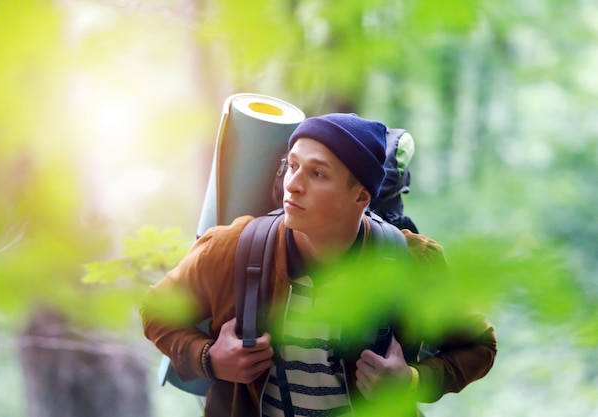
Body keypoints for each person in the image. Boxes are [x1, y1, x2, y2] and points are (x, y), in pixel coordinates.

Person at [141, 113, 497, 417]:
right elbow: (156, 310)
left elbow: (479, 346)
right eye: (292, 166)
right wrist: (209, 359)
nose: (292, 185)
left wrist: (412, 381)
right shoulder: (232, 249)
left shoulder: (412, 263)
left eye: (317, 174)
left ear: (360, 196)